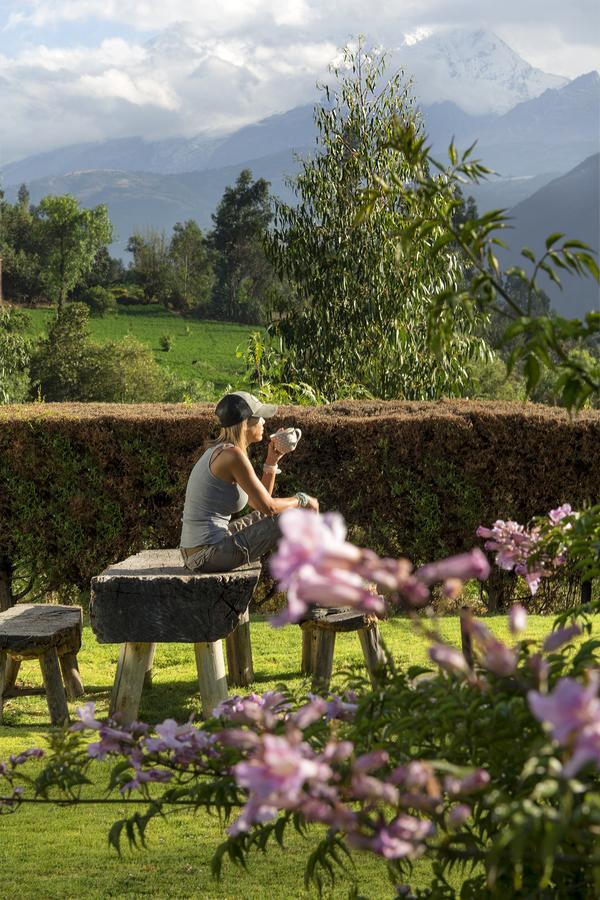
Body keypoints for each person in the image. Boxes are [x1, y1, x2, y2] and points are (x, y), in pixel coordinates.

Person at [180, 391, 319, 573]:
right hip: (207, 555)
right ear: (245, 422)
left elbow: (260, 505)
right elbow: (269, 507)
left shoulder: (221, 451)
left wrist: (272, 461)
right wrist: (302, 500)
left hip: (199, 551)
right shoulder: (233, 456)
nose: (264, 422)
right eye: (260, 417)